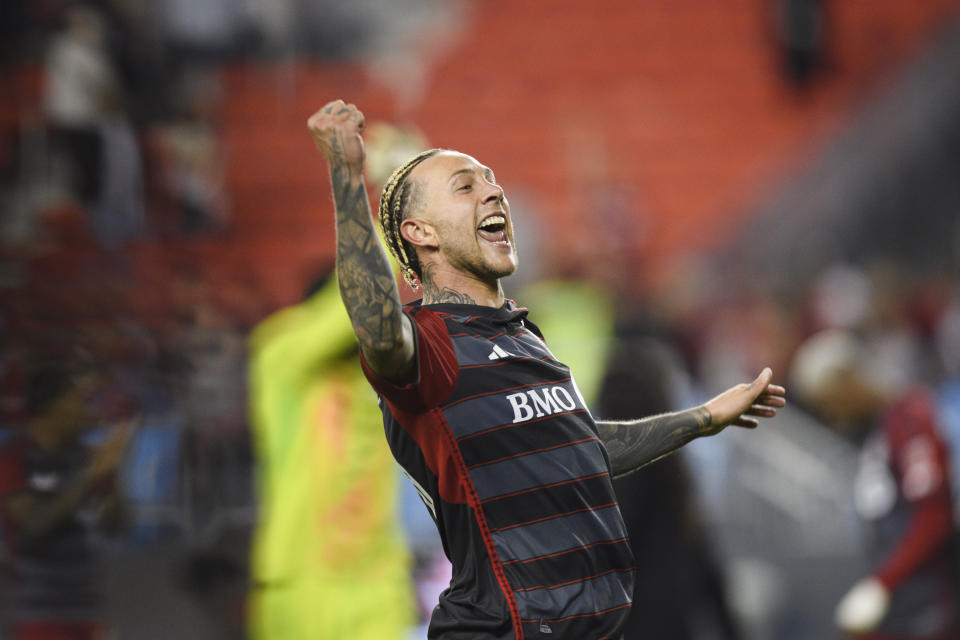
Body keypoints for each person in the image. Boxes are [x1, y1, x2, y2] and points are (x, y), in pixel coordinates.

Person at [306, 99, 787, 639]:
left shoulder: (525, 339)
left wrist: (702, 418)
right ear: (421, 233)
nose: (493, 191)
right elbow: (375, 323)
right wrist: (347, 179)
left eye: (491, 181)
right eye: (465, 186)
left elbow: (583, 447)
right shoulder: (431, 345)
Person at [246, 270, 415, 639]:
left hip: (377, 584)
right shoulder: (281, 357)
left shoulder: (381, 378)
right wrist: (397, 227)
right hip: (304, 584)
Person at [791, 330, 959, 640]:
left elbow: (933, 514)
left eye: (831, 400)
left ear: (849, 379)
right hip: (900, 600)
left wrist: (882, 583)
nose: (831, 414)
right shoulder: (875, 428)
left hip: (926, 599)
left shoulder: (909, 417)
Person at [0, 363, 128, 640]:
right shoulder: (13, 458)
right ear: (50, 407)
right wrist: (88, 478)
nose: (84, 411)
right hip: (40, 614)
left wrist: (110, 479)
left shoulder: (86, 456)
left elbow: (115, 525)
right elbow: (34, 523)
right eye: (77, 402)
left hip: (88, 608)